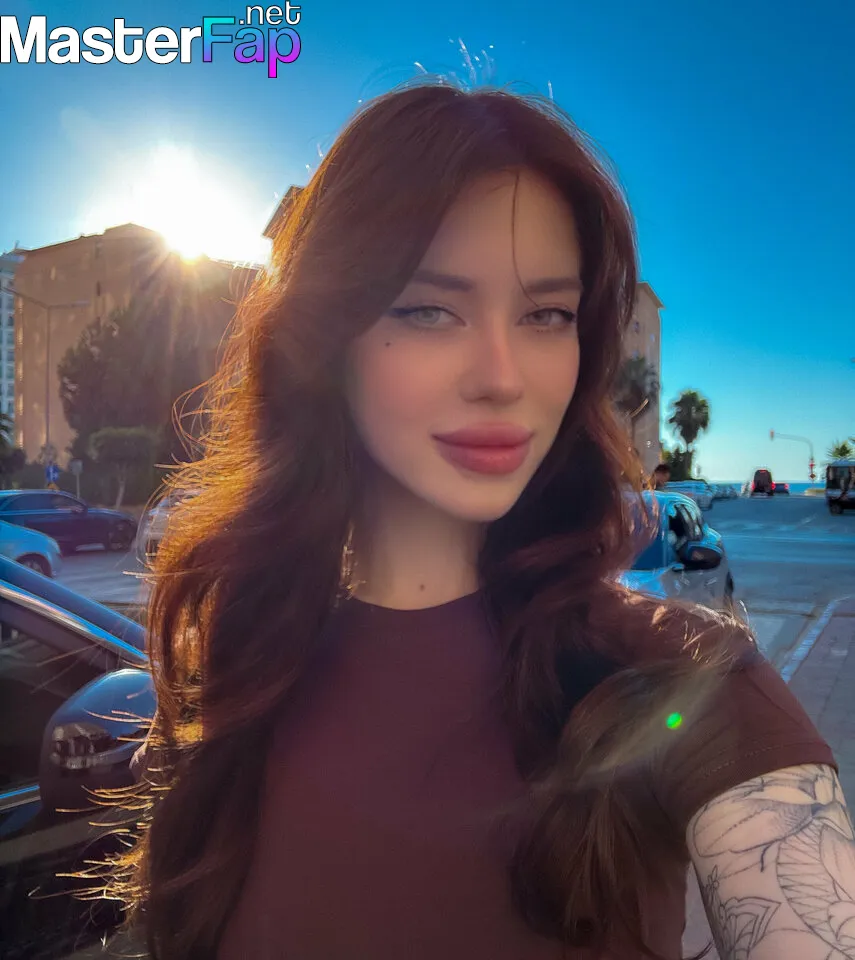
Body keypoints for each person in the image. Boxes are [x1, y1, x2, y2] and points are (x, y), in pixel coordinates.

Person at [111, 83, 852, 960]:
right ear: (325, 343)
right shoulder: (238, 658)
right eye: (429, 309)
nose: (503, 377)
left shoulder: (680, 680)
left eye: (546, 315)